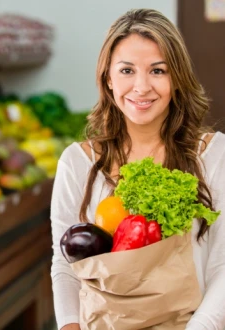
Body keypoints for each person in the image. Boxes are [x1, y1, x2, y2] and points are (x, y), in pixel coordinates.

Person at [50, 8, 225, 330]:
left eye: (158, 71)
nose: (142, 87)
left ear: (177, 78)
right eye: (127, 70)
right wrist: (70, 326)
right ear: (108, 78)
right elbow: (65, 264)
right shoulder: (77, 162)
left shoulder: (213, 155)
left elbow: (223, 266)